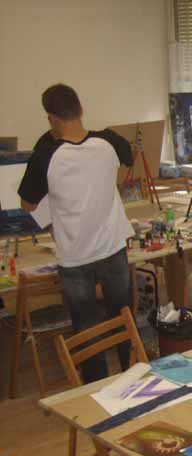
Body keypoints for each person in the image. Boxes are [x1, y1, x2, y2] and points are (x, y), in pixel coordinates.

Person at [18, 83, 135, 383]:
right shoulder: (109, 142)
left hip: (75, 256)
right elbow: (129, 157)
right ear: (81, 108)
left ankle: (95, 387)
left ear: (51, 118)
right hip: (112, 247)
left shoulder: (46, 155)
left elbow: (28, 204)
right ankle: (133, 373)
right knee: (124, 317)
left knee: (86, 326)